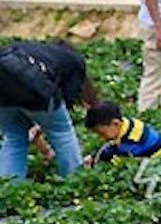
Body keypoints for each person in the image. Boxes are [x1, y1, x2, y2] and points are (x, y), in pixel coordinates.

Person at [0, 41, 98, 180]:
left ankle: (9, 190)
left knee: (14, 137)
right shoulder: (75, 62)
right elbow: (66, 101)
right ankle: (74, 181)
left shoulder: (36, 50)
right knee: (62, 132)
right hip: (32, 86)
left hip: (3, 87)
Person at [84, 101, 161, 166]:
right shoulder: (127, 126)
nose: (102, 138)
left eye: (102, 133)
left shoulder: (132, 140)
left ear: (115, 123)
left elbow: (124, 162)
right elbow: (112, 148)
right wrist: (94, 157)